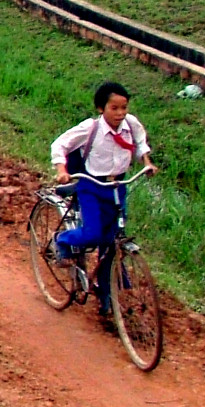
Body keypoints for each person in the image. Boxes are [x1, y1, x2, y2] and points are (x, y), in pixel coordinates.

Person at [50, 81, 158, 316]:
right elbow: (60, 144)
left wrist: (147, 162)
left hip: (118, 185)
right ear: (101, 108)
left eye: (124, 108)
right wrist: (61, 170)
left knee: (111, 241)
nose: (120, 113)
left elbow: (140, 143)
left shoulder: (131, 125)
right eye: (114, 108)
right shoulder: (90, 128)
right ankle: (63, 239)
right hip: (92, 186)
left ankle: (107, 293)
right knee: (93, 233)